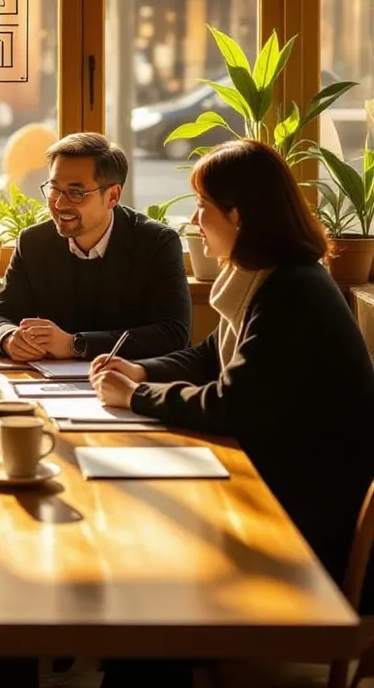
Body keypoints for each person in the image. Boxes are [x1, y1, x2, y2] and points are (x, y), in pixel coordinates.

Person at [91, 138, 374, 600]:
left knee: (155, 549)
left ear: (238, 215)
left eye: (203, 207)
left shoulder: (292, 292)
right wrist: (140, 371)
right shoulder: (272, 275)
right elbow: (211, 354)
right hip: (282, 488)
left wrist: (134, 396)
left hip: (307, 526)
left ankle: (162, 658)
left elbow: (232, 404)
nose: (194, 221)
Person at [0, 132, 191, 362]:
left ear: (112, 196)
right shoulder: (34, 242)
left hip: (132, 383)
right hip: (50, 387)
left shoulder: (157, 243)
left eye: (76, 193)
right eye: (54, 189)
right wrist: (10, 338)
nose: (60, 204)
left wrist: (76, 345)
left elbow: (173, 333)